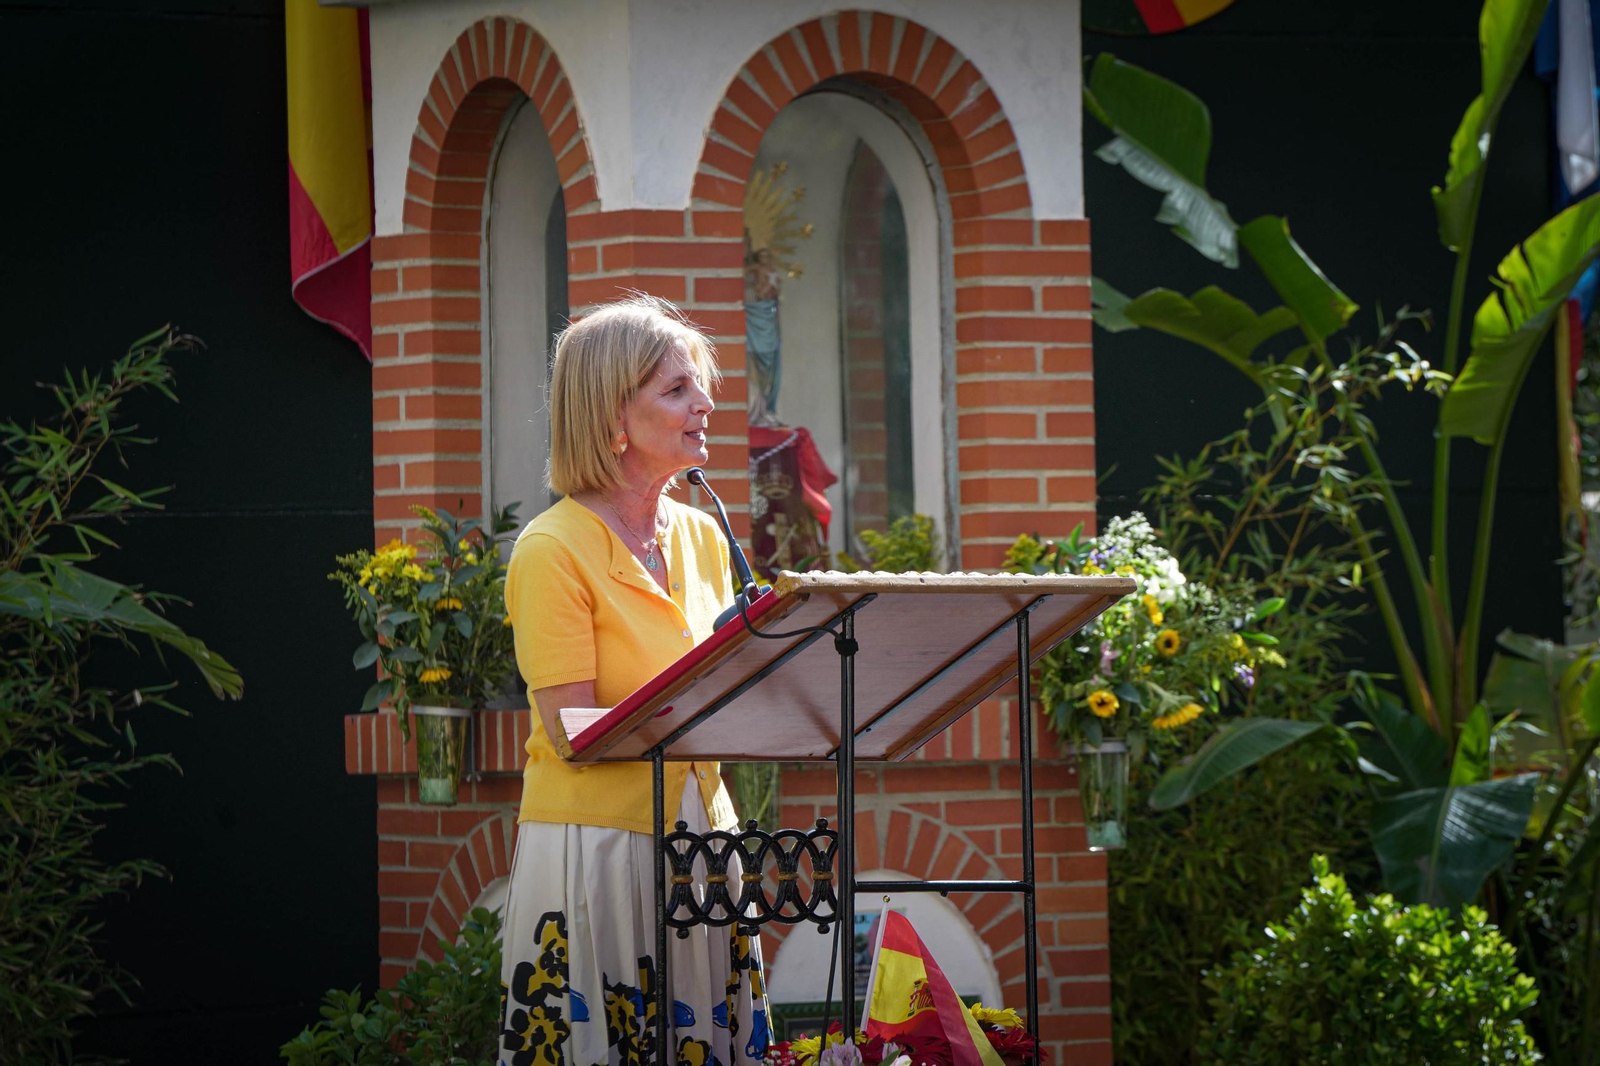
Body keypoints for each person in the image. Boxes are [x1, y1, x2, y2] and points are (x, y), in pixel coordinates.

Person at [498, 296, 770, 1066]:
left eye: (699, 385)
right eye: (676, 390)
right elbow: (573, 732)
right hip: (599, 857)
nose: (705, 404)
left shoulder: (702, 535)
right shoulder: (551, 550)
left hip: (706, 844)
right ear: (612, 414)